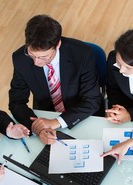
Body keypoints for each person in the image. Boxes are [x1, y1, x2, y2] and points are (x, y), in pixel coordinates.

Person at [8, 14, 103, 145]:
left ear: (57, 44)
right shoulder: (20, 59)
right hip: (46, 113)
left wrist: (56, 122)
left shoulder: (82, 54)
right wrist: (36, 126)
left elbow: (91, 101)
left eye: (44, 57)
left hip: (82, 116)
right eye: (31, 55)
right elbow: (16, 102)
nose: (36, 62)